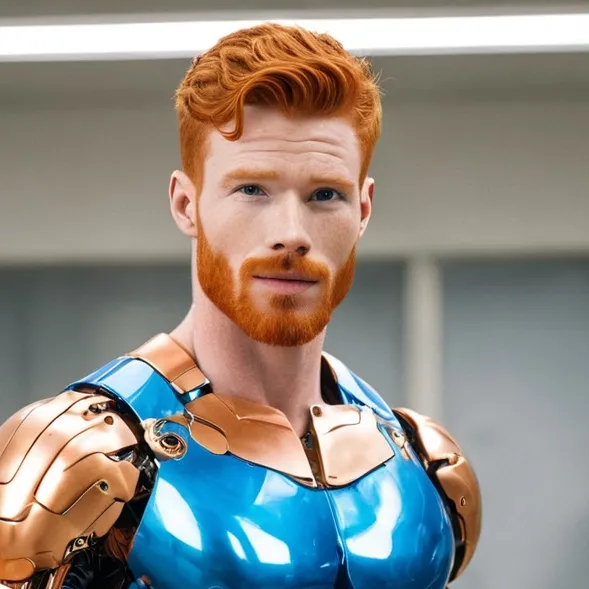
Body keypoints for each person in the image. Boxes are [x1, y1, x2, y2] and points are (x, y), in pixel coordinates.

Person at [0, 23, 481, 589]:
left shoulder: (425, 465)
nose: (291, 234)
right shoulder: (72, 458)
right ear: (187, 205)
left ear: (363, 210)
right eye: (252, 190)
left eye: (325, 194)